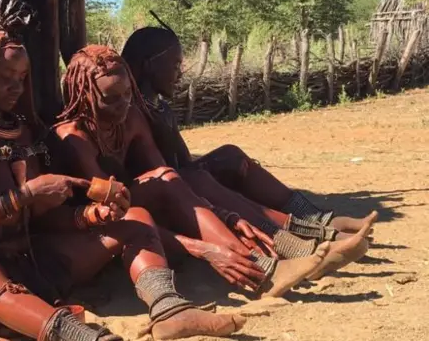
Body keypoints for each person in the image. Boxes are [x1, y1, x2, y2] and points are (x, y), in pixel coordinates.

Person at [0, 0, 248, 341]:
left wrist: (87, 217)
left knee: (134, 218)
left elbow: (42, 217)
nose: (16, 87)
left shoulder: (24, 132)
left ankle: (170, 309)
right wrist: (25, 195)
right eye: (5, 76)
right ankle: (84, 340)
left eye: (22, 77)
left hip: (30, 259)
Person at [53, 45, 337, 298]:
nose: (124, 103)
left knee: (183, 175)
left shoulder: (132, 118)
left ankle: (292, 242)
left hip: (143, 203)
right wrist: (206, 250)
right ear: (84, 96)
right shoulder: (74, 139)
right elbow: (113, 216)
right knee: (170, 179)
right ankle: (261, 266)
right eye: (110, 98)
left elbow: (167, 174)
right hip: (102, 225)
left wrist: (226, 215)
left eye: (128, 93)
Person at [120, 20, 378, 236]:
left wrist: (217, 164)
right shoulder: (129, 112)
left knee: (230, 155)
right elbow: (161, 173)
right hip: (162, 201)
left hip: (181, 184)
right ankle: (292, 232)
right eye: (175, 66)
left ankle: (314, 216)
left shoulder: (160, 109)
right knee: (199, 179)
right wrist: (198, 173)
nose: (180, 74)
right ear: (149, 63)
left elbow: (183, 162)